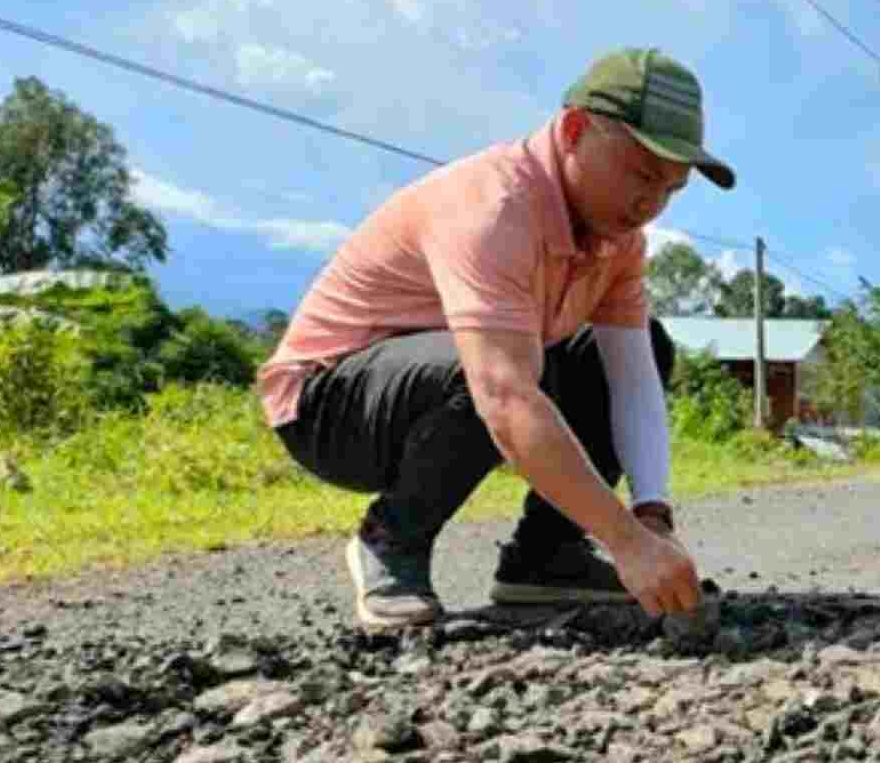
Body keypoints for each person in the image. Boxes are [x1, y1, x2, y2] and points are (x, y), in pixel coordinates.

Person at [255, 48, 730, 629]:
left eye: (671, 189)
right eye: (642, 175)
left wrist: (651, 519)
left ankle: (547, 558)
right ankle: (390, 541)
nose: (651, 205)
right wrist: (626, 543)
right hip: (329, 406)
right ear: (574, 131)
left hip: (457, 374)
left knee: (633, 344)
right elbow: (503, 395)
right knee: (490, 369)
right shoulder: (495, 206)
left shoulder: (618, 242)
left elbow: (631, 378)